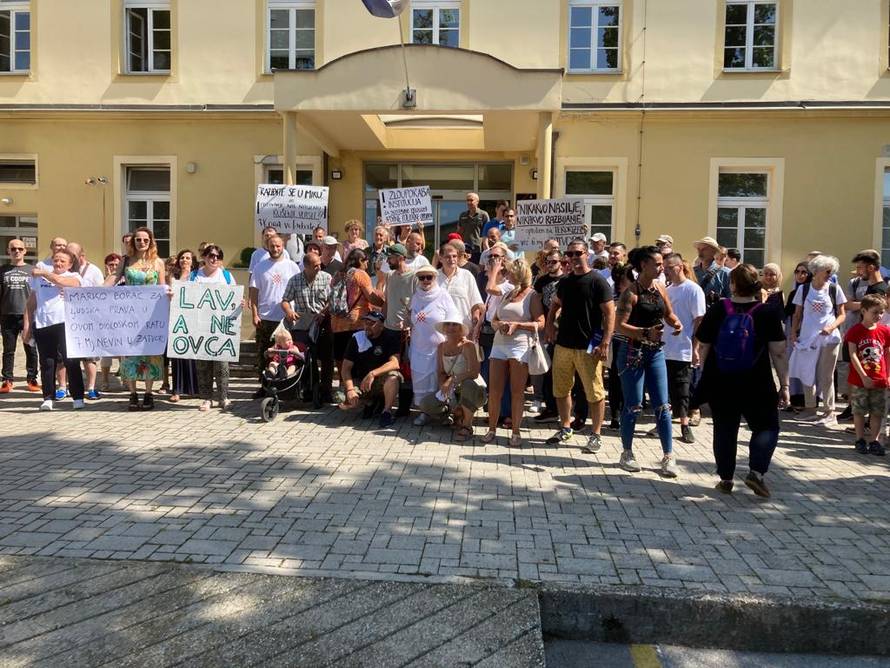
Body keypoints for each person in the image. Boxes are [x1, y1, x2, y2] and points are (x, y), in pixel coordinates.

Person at [696, 264, 789, 498]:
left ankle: (726, 479)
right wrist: (784, 385)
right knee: (766, 426)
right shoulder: (767, 312)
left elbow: (703, 344)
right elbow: (778, 351)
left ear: (733, 284)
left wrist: (703, 377)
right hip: (756, 380)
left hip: (721, 379)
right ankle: (756, 473)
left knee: (725, 429)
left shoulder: (718, 309)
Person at [614, 247, 683, 476]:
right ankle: (627, 452)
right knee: (633, 405)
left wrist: (676, 323)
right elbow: (619, 326)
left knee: (663, 405)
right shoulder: (630, 293)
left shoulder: (660, 288)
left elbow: (668, 313)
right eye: (657, 263)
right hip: (632, 352)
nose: (661, 267)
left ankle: (668, 456)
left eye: (662, 263)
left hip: (655, 353)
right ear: (643, 265)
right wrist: (645, 333)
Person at [544, 238, 615, 454]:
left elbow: (610, 312)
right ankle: (565, 427)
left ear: (587, 253)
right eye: (570, 254)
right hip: (564, 344)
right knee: (561, 388)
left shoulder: (597, 281)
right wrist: (549, 325)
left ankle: (596, 434)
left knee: (594, 391)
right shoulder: (565, 282)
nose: (574, 257)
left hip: (588, 345)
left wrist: (605, 342)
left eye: (578, 253)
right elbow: (555, 304)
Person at [482, 258, 545, 447]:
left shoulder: (532, 295)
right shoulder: (506, 294)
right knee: (494, 391)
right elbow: (493, 319)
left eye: (509, 272)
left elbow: (540, 323)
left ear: (518, 274)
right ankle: (492, 428)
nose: (506, 275)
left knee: (517, 392)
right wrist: (499, 325)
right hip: (499, 344)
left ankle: (516, 432)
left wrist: (518, 325)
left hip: (520, 346)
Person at [104, 227, 166, 411]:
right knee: (129, 354)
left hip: (151, 317)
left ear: (151, 241)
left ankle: (148, 393)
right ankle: (132, 393)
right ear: (133, 242)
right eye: (138, 239)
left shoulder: (158, 263)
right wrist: (95, 291)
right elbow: (112, 280)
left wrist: (168, 293)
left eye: (145, 239)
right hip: (130, 315)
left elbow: (162, 286)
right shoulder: (126, 261)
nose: (141, 242)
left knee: (150, 355)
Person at [22, 248, 85, 411]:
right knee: (47, 363)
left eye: (62, 261)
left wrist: (44, 272)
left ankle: (77, 396)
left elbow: (64, 283)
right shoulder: (39, 277)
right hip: (43, 323)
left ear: (70, 264)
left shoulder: (74, 276)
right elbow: (32, 302)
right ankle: (48, 397)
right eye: (56, 260)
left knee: (71, 361)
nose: (58, 263)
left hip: (65, 323)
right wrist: (27, 326)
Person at [790, 254, 846, 426]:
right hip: (807, 338)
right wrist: (794, 333)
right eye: (827, 270)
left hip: (830, 339)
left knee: (826, 375)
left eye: (832, 271)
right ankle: (810, 410)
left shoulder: (834, 289)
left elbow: (842, 314)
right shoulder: (803, 289)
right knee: (807, 372)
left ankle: (829, 412)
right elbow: (797, 313)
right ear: (817, 270)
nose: (830, 273)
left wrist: (831, 327)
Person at [249, 235, 301, 396]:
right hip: (265, 317)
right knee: (264, 353)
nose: (275, 249)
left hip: (286, 319)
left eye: (278, 246)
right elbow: (254, 292)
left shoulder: (292, 266)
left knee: (289, 354)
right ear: (267, 246)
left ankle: (289, 386)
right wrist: (255, 314)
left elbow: (298, 289)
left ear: (283, 245)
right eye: (272, 246)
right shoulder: (259, 267)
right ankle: (264, 386)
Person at [420, 314, 485, 441]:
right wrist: (444, 390)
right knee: (425, 404)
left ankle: (467, 425)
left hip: (473, 390)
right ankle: (452, 415)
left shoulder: (469, 346)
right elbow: (440, 372)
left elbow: (474, 372)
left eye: (455, 324)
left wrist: (451, 380)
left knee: (468, 384)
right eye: (448, 324)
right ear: (444, 328)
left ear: (461, 328)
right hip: (453, 391)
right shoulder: (441, 346)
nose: (451, 327)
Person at [662, 253, 706, 444]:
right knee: (665, 389)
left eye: (669, 267)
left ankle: (685, 425)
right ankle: (662, 423)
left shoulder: (693, 289)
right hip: (664, 348)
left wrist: (695, 347)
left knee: (682, 390)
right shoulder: (667, 289)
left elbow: (699, 320)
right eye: (664, 267)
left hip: (683, 349)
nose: (665, 270)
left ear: (679, 267)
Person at [189, 244, 237, 411]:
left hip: (221, 326)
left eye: (217, 256)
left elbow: (234, 298)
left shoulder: (226, 276)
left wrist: (240, 302)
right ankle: (206, 398)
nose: (214, 258)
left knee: (222, 364)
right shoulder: (194, 276)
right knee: (203, 365)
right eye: (211, 255)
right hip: (201, 326)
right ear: (204, 257)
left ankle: (223, 397)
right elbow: (186, 297)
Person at [281, 251, 334, 403]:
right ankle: (308, 389)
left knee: (326, 358)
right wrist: (289, 311)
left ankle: (326, 391)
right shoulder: (295, 280)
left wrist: (323, 313)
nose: (319, 267)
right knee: (304, 357)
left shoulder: (326, 278)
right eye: (315, 265)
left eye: (319, 264)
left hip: (323, 321)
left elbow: (332, 300)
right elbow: (285, 300)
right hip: (302, 323)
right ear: (306, 266)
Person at [410, 264, 457, 426]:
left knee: (439, 381)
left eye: (428, 277)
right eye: (421, 277)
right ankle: (424, 412)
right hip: (418, 348)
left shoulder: (443, 295)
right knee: (421, 381)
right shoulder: (415, 296)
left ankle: (443, 413)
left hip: (439, 350)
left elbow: (453, 319)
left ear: (435, 278)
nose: (425, 281)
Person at [338, 311, 402, 429]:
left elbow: (395, 363)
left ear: (382, 325)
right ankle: (369, 403)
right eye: (365, 322)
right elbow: (346, 368)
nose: (367, 325)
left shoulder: (390, 338)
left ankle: (386, 412)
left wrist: (373, 373)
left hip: (379, 381)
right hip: (362, 382)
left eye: (372, 323)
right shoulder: (357, 339)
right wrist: (350, 389)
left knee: (393, 377)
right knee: (342, 398)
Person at [844, 294, 890, 456]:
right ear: (863, 311)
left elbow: (887, 353)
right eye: (875, 312)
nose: (878, 316)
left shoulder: (884, 331)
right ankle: (860, 439)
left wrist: (888, 375)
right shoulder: (855, 331)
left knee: (877, 411)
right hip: (860, 379)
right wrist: (863, 376)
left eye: (881, 312)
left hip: (880, 378)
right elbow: (853, 354)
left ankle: (874, 440)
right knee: (859, 410)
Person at [0, 239, 39, 393]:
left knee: (31, 348)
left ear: (25, 251)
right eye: (13, 249)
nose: (17, 251)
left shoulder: (33, 270)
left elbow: (37, 293)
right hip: (7, 315)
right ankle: (7, 380)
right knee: (8, 350)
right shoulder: (2, 270)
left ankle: (32, 379)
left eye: (20, 249)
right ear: (8, 251)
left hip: (27, 315)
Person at [67, 242, 104, 400]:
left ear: (82, 255)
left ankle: (91, 388)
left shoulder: (94, 271)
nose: (70, 258)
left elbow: (102, 293)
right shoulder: (65, 270)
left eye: (73, 256)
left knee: (90, 357)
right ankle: (69, 387)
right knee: (69, 357)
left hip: (89, 320)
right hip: (70, 319)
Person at [533, 247, 564, 424]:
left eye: (554, 261)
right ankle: (550, 408)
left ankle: (560, 408)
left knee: (559, 370)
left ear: (561, 263)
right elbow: (536, 302)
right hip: (544, 329)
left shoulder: (566, 280)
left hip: (561, 330)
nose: (550, 265)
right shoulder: (541, 281)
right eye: (547, 262)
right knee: (546, 369)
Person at [330, 248, 375, 370]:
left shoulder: (338, 274)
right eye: (366, 261)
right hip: (356, 323)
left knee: (341, 358)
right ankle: (354, 386)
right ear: (360, 260)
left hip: (337, 323)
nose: (367, 264)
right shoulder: (361, 274)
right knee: (356, 360)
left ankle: (343, 385)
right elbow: (372, 298)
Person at [166, 249, 199, 403]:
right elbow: (172, 290)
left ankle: (194, 388)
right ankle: (177, 390)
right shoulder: (173, 276)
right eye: (182, 258)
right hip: (177, 319)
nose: (184, 260)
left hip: (194, 318)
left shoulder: (198, 275)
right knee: (177, 355)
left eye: (188, 258)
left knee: (192, 354)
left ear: (193, 261)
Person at [437, 240, 483, 336]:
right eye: (447, 257)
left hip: (463, 331)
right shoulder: (434, 277)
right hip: (440, 332)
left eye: (454, 256)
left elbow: (475, 302)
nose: (452, 259)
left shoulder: (467, 275)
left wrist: (475, 323)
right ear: (440, 258)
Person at [693, 236, 731, 307]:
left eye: (704, 249)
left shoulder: (726, 274)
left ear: (714, 252)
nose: (700, 252)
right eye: (698, 249)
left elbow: (732, 301)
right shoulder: (692, 272)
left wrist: (718, 299)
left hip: (716, 316)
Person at [458, 192, 490, 260]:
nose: (469, 202)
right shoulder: (463, 215)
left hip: (478, 249)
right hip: (464, 249)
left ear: (477, 201)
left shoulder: (483, 215)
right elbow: (459, 231)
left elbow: (487, 232)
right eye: (467, 200)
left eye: (471, 200)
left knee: (476, 269)